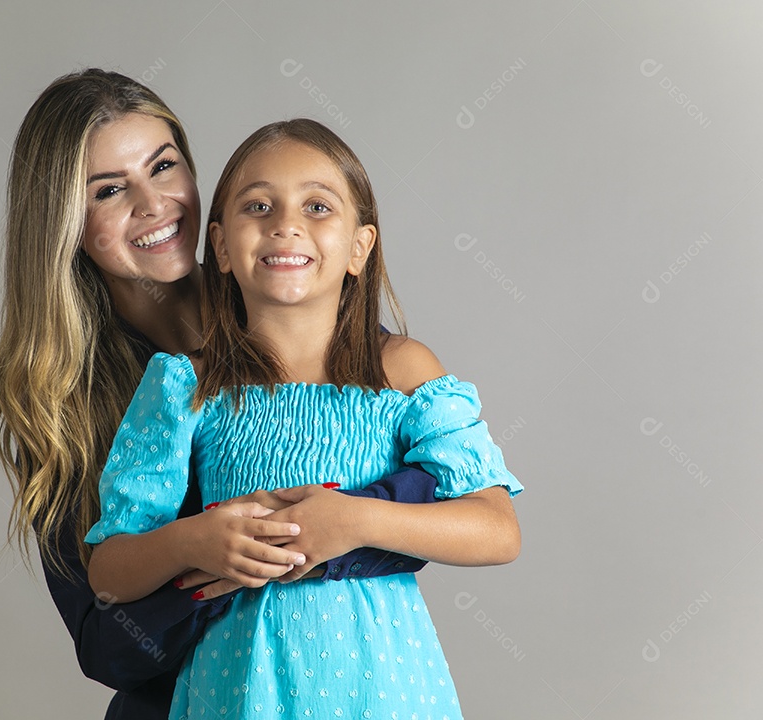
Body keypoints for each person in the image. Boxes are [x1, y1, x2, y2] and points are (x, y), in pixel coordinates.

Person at [0, 69, 448, 720]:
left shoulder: (296, 303)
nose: (154, 205)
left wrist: (326, 524)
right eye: (111, 190)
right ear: (64, 223)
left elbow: (432, 501)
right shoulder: (63, 406)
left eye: (164, 167)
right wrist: (210, 551)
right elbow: (107, 647)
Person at [84, 118, 524, 719]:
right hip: (238, 693)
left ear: (359, 248)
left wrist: (355, 519)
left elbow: (498, 530)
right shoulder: (182, 383)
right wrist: (192, 541)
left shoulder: (402, 370)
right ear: (218, 246)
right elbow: (109, 572)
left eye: (318, 206)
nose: (286, 224)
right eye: (258, 205)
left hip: (385, 693)